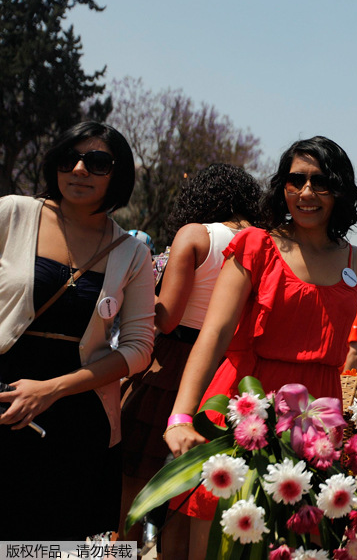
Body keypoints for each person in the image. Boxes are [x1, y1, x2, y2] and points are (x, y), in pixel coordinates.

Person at [164, 136, 357, 558]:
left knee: (296, 544)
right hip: (246, 403)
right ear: (282, 186)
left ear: (340, 191)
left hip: (317, 417)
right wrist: (181, 416)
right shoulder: (256, 244)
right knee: (221, 537)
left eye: (320, 181)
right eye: (296, 180)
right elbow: (215, 333)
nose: (306, 192)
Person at [0, 121, 155, 540]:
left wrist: (50, 390)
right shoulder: (12, 214)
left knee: (51, 543)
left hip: (76, 418)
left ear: (118, 174)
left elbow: (139, 349)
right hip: (3, 397)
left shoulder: (133, 253)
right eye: (70, 158)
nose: (80, 170)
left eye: (97, 162)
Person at [118, 163, 261, 543]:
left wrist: (140, 285)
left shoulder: (196, 236)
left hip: (172, 365)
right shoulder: (265, 242)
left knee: (134, 487)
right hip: (226, 372)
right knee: (192, 493)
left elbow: (166, 317)